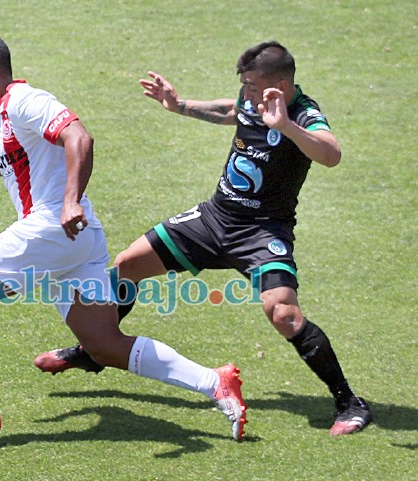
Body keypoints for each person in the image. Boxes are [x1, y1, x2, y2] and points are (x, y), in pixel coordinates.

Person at [34, 41, 373, 436]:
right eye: (244, 84)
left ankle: (349, 402)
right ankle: (96, 349)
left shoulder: (303, 113)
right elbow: (232, 110)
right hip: (214, 218)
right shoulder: (252, 99)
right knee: (129, 264)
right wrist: (180, 105)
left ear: (280, 84)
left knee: (284, 314)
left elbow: (331, 153)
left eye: (253, 85)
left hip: (262, 232)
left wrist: (285, 126)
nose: (246, 93)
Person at [0, 32, 248, 441]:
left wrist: (69, 201)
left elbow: (79, 137)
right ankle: (214, 382)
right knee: (105, 346)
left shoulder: (27, 101)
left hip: (54, 226)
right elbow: (8, 157)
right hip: (77, 239)